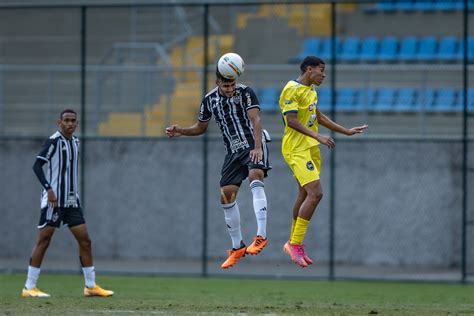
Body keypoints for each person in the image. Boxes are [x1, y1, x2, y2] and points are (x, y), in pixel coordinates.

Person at [166, 67, 271, 269]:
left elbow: (255, 120)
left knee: (255, 177)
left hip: (253, 144)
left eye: (232, 84)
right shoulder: (209, 100)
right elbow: (200, 127)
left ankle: (261, 236)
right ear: (217, 83)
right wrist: (181, 131)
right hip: (232, 151)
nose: (230, 88)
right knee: (226, 197)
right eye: (226, 85)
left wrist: (258, 147)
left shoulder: (246, 92)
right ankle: (237, 247)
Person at [279, 56, 368, 267]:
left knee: (304, 193)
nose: (324, 75)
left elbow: (317, 116)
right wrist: (318, 136)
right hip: (296, 149)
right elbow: (291, 121)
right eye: (321, 71)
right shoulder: (291, 89)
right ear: (309, 69)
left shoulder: (310, 90)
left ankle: (292, 243)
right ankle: (295, 244)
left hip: (310, 149)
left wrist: (345, 131)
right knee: (316, 194)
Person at [21, 109, 113, 297]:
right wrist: (48, 189)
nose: (70, 123)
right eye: (66, 120)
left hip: (71, 201)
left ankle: (90, 286)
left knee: (85, 241)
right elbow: (37, 165)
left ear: (76, 124)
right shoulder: (54, 141)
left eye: (73, 121)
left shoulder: (76, 142)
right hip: (54, 201)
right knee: (44, 241)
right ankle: (29, 287)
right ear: (59, 122)